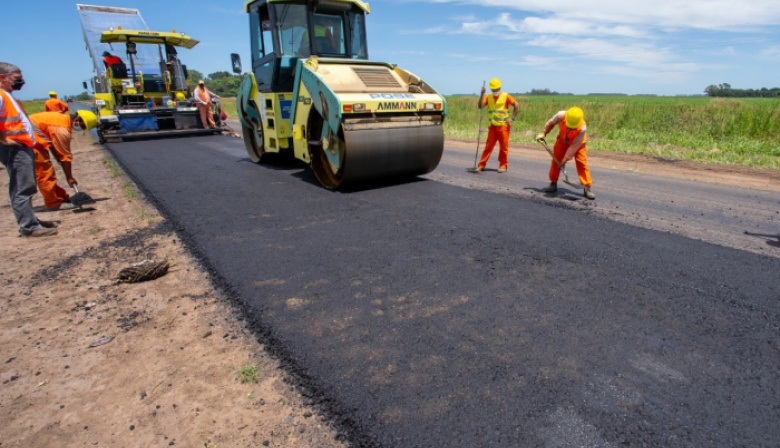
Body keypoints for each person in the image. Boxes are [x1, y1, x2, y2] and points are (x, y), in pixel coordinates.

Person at [0, 62, 58, 237]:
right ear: (2, 77)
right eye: (17, 79)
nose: (22, 82)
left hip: (22, 147)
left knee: (26, 185)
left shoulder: (7, 95)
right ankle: (28, 227)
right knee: (22, 188)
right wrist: (4, 139)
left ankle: (31, 220)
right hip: (14, 149)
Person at [29, 110, 98, 210]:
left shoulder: (61, 119)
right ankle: (53, 203)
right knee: (44, 172)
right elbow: (65, 157)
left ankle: (61, 197)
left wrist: (57, 158)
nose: (81, 129)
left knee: (47, 170)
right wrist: (69, 177)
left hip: (34, 138)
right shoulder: (61, 130)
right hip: (28, 140)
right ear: (77, 120)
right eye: (83, 127)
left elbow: (51, 143)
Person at [536, 106, 595, 200]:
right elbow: (551, 123)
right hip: (562, 141)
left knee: (582, 163)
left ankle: (587, 187)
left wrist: (565, 160)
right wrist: (544, 133)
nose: (570, 128)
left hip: (579, 144)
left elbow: (574, 147)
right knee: (556, 161)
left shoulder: (582, 127)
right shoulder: (560, 115)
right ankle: (553, 182)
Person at [475, 78, 519, 173]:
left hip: (503, 126)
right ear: (490, 89)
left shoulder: (506, 96)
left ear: (499, 87)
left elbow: (516, 105)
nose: (495, 90)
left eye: (496, 89)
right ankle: (481, 165)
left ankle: (503, 165)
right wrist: (482, 94)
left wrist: (512, 118)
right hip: (493, 126)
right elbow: (480, 106)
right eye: (493, 89)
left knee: (503, 147)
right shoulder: (488, 96)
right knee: (488, 147)